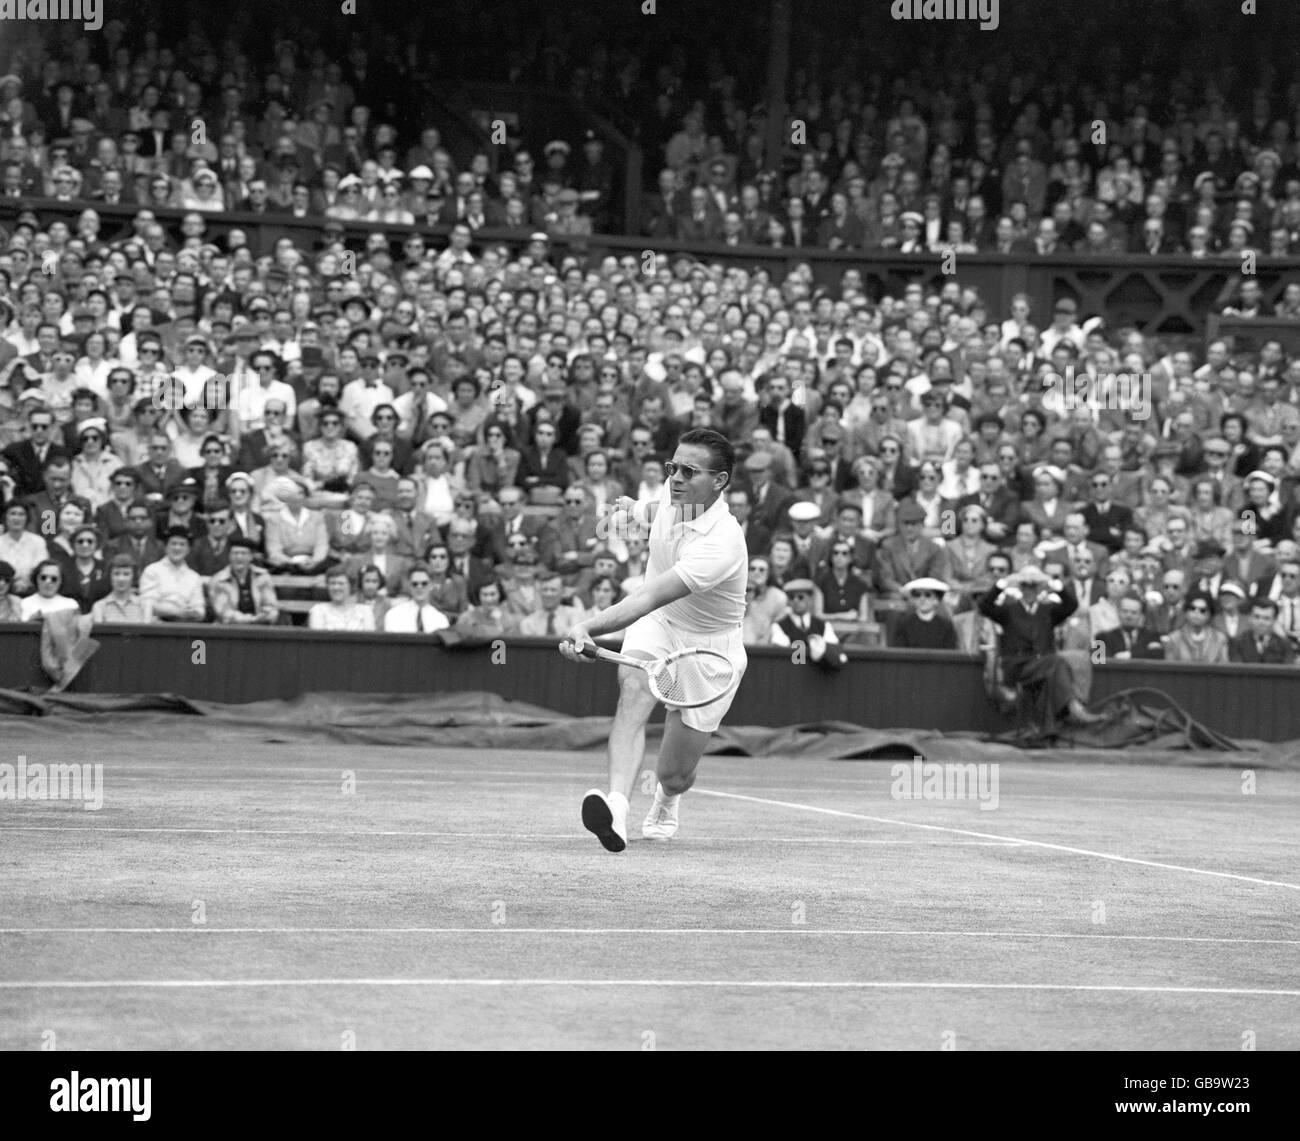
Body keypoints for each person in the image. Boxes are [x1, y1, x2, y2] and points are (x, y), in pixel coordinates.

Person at [560, 428, 748, 853]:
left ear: (719, 481)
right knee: (633, 688)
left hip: (709, 649)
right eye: (672, 468)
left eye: (688, 471)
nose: (676, 478)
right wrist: (633, 510)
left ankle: (666, 801)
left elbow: (645, 597)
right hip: (660, 624)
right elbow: (656, 508)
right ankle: (617, 808)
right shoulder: (674, 492)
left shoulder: (722, 544)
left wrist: (587, 627)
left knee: (675, 773)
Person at [976, 565, 1100, 725]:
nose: (1029, 591)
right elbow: (984, 606)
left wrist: (1054, 585)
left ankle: (1049, 729)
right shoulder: (1008, 610)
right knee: (1057, 661)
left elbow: (1071, 605)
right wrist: (1003, 583)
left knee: (1055, 666)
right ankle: (1074, 707)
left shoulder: (1047, 610)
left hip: (1043, 664)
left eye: (1033, 587)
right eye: (1025, 586)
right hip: (1019, 666)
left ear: (1038, 589)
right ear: (1020, 589)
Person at [138, 527, 206, 622]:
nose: (177, 548)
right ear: (165, 547)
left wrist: (193, 612)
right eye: (173, 543)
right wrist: (178, 612)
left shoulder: (194, 577)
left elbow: (200, 611)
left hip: (186, 627)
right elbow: (148, 605)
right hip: (157, 626)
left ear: (188, 549)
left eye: (182, 544)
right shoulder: (152, 570)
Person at [211, 538, 281, 625]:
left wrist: (264, 616)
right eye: (235, 553)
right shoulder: (219, 580)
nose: (239, 557)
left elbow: (271, 606)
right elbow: (224, 612)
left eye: (243, 553)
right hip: (229, 628)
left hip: (260, 626)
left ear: (251, 557)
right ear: (229, 556)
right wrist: (252, 620)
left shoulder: (263, 577)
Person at [892, 577, 959, 649]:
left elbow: (950, 653)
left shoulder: (946, 625)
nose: (922, 599)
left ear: (936, 600)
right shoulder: (904, 624)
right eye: (917, 595)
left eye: (928, 595)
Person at [384, 564, 451, 633]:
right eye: (415, 584)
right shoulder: (394, 615)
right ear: (409, 586)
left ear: (431, 585)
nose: (419, 587)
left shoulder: (440, 619)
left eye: (424, 583)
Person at [91, 554, 155, 624]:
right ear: (110, 576)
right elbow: (99, 634)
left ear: (133, 577)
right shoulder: (100, 606)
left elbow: (146, 633)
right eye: (116, 574)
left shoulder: (144, 605)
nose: (121, 579)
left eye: (126, 574)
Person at [309, 566, 376, 631]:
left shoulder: (365, 611)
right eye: (332, 583)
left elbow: (370, 640)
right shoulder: (319, 610)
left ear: (350, 586)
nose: (336, 588)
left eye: (341, 584)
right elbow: (319, 640)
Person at [1229, 598, 1295, 664]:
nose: (1261, 622)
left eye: (1266, 618)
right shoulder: (1237, 642)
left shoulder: (1284, 645)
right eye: (1256, 617)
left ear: (1274, 620)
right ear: (1250, 617)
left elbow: (1287, 671)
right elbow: (1236, 671)